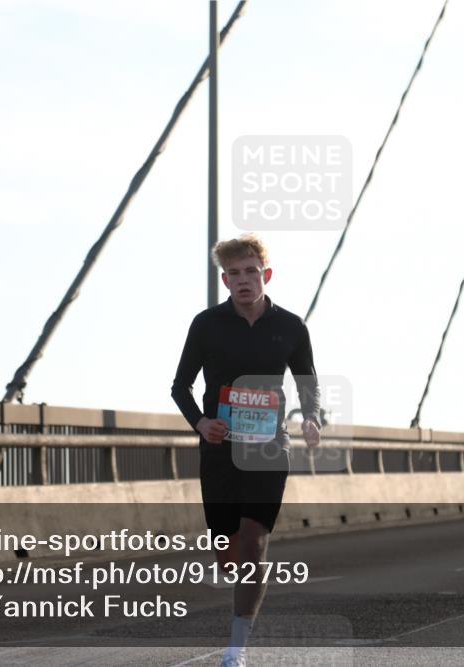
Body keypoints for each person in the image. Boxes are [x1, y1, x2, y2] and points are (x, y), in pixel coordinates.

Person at [171, 233, 321, 667]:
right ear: (225, 280)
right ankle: (242, 590)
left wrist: (310, 417)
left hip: (269, 448)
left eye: (251, 272)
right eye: (234, 273)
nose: (243, 280)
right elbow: (181, 386)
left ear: (265, 275)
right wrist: (201, 422)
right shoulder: (206, 324)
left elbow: (307, 382)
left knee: (255, 543)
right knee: (227, 550)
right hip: (219, 450)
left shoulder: (291, 326)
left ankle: (236, 648)